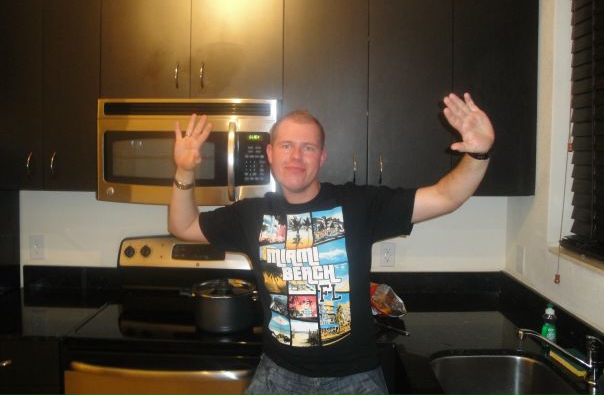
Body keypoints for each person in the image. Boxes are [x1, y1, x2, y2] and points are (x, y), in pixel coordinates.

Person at [168, 92, 495, 395]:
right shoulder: (250, 214)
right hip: (278, 375)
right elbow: (183, 226)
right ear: (270, 153)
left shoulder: (359, 205)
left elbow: (446, 197)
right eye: (286, 145)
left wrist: (479, 153)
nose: (296, 156)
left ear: (322, 157)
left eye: (308, 147)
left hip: (354, 378)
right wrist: (183, 171)